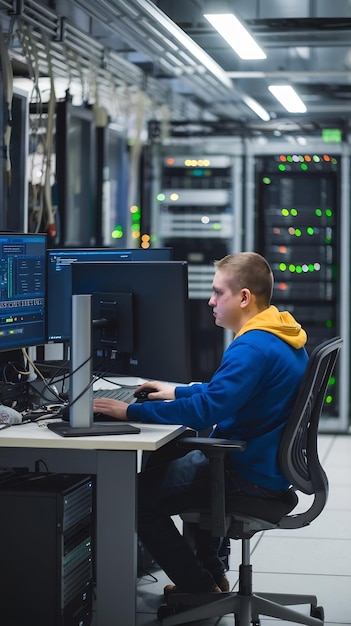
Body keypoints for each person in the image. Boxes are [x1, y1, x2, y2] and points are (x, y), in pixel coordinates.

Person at [93, 252, 308, 596]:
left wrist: (128, 412)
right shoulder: (278, 333)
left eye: (217, 292)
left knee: (133, 497)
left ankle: (198, 590)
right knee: (167, 456)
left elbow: (206, 412)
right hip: (266, 467)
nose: (210, 301)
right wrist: (176, 390)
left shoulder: (251, 347)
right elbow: (231, 394)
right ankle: (212, 573)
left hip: (246, 474)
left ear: (243, 297)